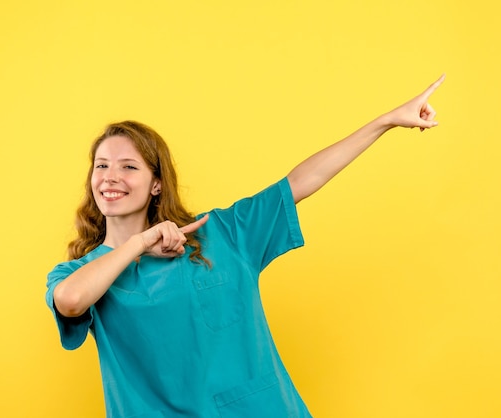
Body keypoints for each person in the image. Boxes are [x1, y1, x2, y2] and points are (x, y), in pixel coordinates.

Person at [45, 74, 445, 418]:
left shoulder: (220, 233)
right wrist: (140, 243)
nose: (111, 176)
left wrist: (388, 121)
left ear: (156, 183)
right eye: (102, 166)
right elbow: (71, 301)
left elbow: (300, 182)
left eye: (128, 166)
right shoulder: (82, 273)